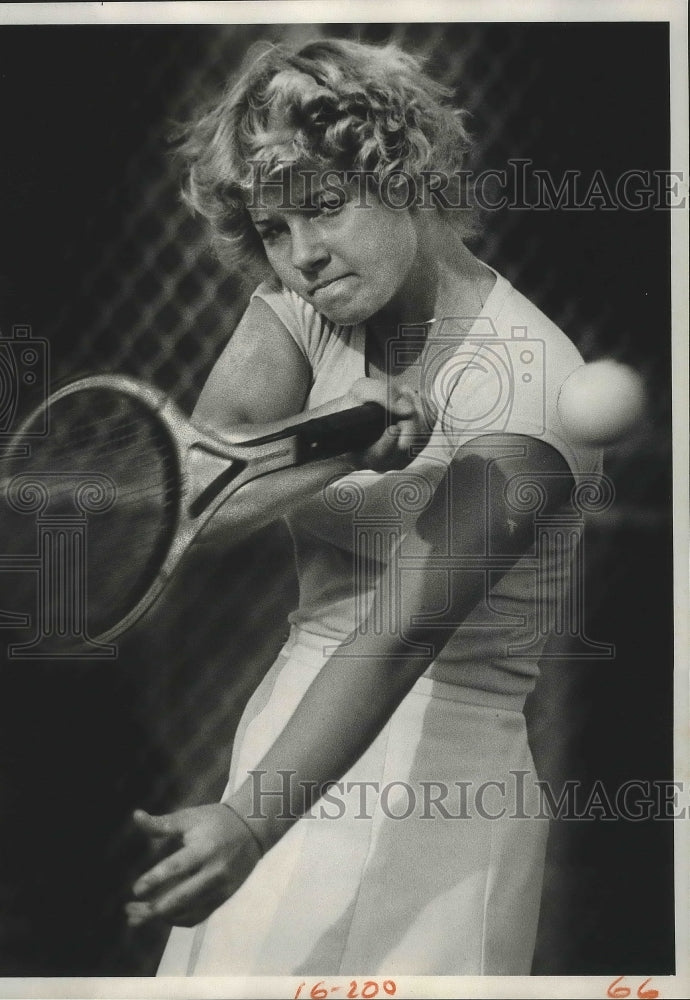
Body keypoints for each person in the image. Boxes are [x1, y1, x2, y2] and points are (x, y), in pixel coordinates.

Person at [125, 37, 602, 975]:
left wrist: (246, 828)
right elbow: (186, 501)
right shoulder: (306, 309)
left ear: (405, 177)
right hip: (280, 740)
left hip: (437, 791)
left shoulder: (535, 388)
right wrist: (327, 441)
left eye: (326, 207)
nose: (301, 256)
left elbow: (396, 638)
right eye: (273, 229)